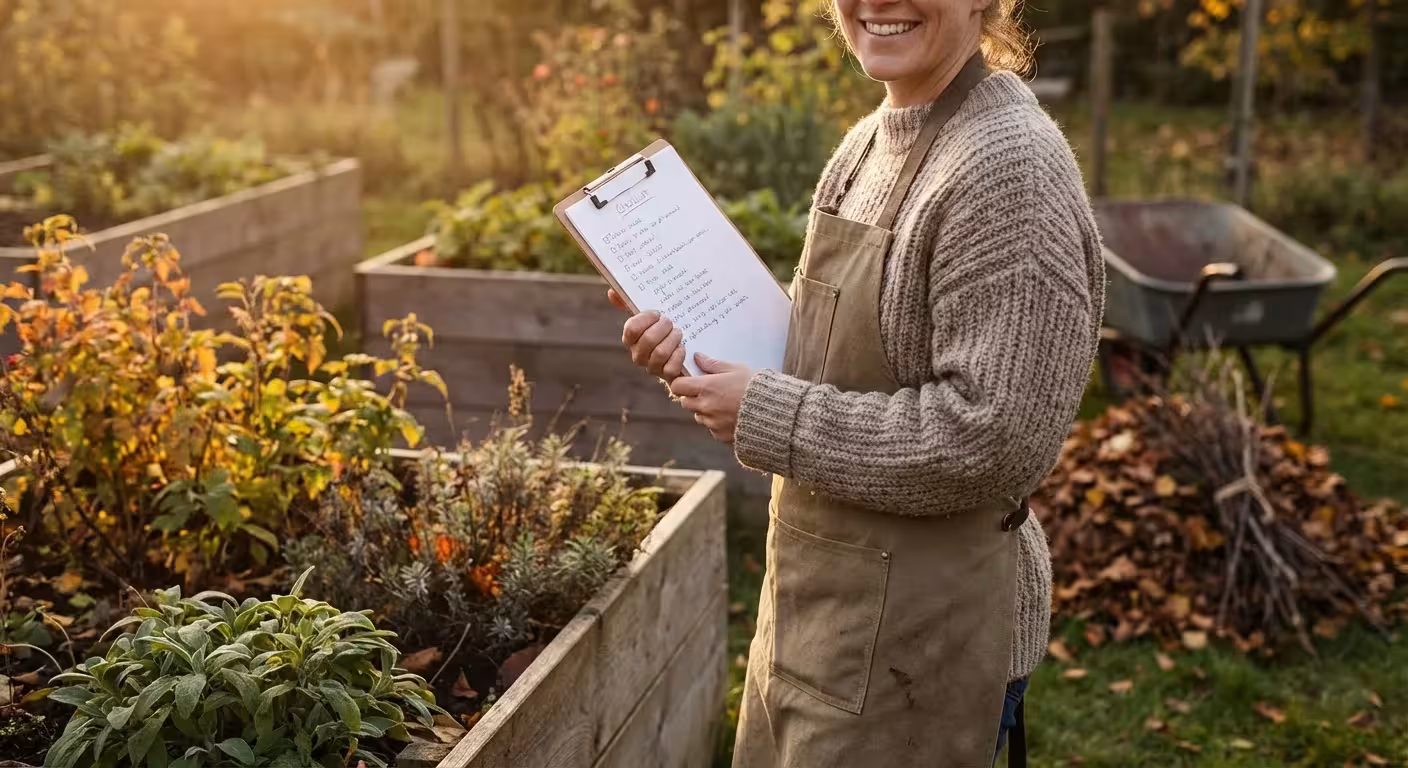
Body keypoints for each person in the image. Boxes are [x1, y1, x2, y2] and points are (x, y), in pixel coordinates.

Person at [609, 0, 1105, 764]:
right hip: (822, 610)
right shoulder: (869, 143)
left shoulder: (1010, 169)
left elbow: (993, 439)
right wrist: (698, 351)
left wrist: (771, 414)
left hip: (925, 638)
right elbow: (826, 364)